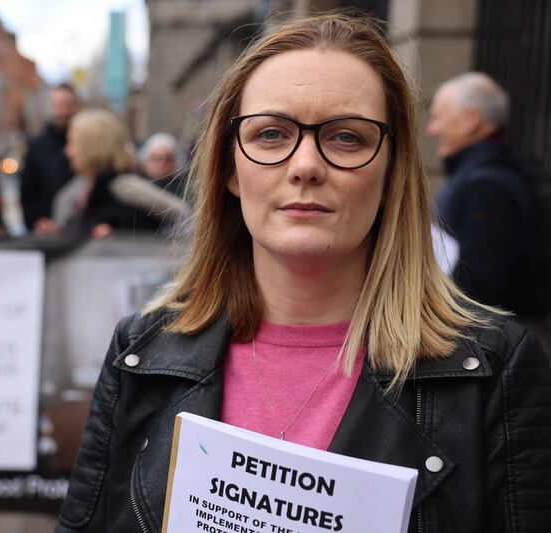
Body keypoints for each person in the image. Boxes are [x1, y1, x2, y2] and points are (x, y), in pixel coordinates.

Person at [55, 13, 551, 533]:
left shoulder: (493, 371)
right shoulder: (142, 351)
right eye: (271, 134)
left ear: (391, 171)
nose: (306, 165)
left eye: (346, 138)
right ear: (229, 169)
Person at [427, 72, 535, 315]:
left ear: (471, 120)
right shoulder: (485, 176)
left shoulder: (487, 186)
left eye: (437, 118)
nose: (431, 130)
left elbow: (477, 288)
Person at [49, 109, 188, 238]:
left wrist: (119, 236)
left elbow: (182, 216)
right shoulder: (90, 187)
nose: (68, 152)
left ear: (91, 147)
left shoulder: (124, 188)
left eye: (72, 143)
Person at [19, 83, 78, 233]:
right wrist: (36, 223)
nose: (62, 111)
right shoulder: (37, 145)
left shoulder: (84, 143)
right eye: (57, 105)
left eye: (67, 105)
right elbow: (27, 191)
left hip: (75, 229)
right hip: (43, 230)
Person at [138, 132, 186, 197]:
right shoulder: (138, 187)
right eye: (157, 159)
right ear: (146, 161)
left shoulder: (184, 190)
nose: (162, 164)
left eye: (168, 159)